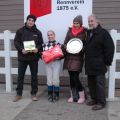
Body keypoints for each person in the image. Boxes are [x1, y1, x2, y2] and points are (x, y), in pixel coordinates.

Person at [85, 14, 115, 110]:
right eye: (89, 21)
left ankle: (101, 102)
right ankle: (94, 99)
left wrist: (106, 61)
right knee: (91, 83)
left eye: (92, 21)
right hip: (89, 63)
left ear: (97, 21)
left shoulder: (103, 33)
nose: (90, 23)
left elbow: (110, 48)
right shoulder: (89, 33)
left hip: (99, 64)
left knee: (99, 84)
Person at [13, 14, 43, 102]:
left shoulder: (38, 32)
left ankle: (34, 94)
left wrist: (37, 49)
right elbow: (16, 42)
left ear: (34, 22)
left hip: (33, 58)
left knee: (34, 76)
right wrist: (21, 49)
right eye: (29, 20)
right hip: (23, 57)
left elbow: (41, 43)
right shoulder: (20, 31)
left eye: (33, 21)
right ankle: (19, 94)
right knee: (20, 76)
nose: (31, 22)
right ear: (27, 21)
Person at [63, 15, 87, 103]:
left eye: (77, 23)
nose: (75, 24)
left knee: (75, 77)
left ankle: (82, 96)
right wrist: (66, 47)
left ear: (80, 23)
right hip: (69, 57)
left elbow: (86, 45)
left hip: (78, 57)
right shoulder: (69, 31)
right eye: (74, 23)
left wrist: (81, 49)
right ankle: (73, 96)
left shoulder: (85, 32)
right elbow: (65, 42)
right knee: (71, 78)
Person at [42, 30, 62, 102]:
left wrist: (55, 56)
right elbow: (41, 55)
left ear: (54, 35)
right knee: (49, 79)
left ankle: (56, 94)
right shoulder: (44, 44)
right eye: (48, 35)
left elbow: (62, 55)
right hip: (48, 64)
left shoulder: (58, 44)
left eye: (51, 34)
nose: (50, 36)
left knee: (56, 79)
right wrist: (42, 57)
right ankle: (50, 94)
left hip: (56, 63)